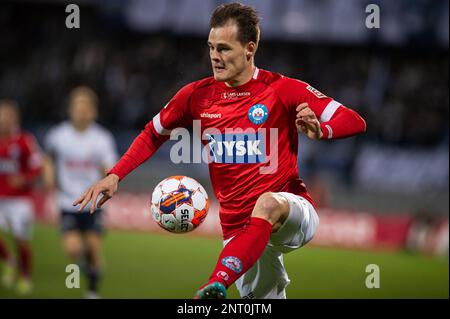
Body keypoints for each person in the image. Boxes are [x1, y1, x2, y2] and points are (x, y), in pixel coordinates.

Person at [74, 3, 366, 299]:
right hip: (240, 232)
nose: (215, 56)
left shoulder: (282, 89)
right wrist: (115, 175)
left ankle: (215, 284)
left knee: (266, 204)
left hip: (290, 210)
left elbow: (354, 121)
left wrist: (322, 131)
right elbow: (153, 133)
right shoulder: (196, 96)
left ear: (249, 49)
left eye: (224, 48)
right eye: (211, 47)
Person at [43, 87, 118, 299]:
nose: (82, 111)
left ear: (93, 111)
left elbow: (110, 167)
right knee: (73, 249)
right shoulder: (58, 135)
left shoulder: (102, 138)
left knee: (93, 247)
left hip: (94, 202)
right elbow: (48, 158)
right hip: (68, 201)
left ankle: (91, 291)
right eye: (78, 106)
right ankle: (75, 283)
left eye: (86, 107)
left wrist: (109, 177)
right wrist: (48, 176)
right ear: (70, 109)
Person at [0, 100, 43, 295]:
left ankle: (25, 276)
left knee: (21, 239)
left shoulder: (25, 140)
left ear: (14, 118)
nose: (3, 120)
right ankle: (9, 260)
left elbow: (37, 167)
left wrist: (24, 179)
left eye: (7, 116)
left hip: (20, 199)